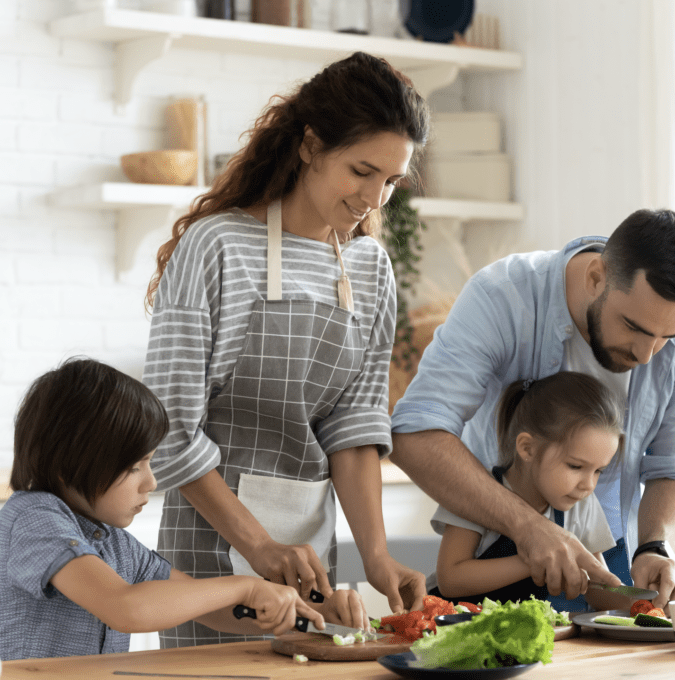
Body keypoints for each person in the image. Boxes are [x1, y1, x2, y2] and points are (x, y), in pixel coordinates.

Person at [142, 52, 431, 647]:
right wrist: (259, 546)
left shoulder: (370, 267)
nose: (375, 199)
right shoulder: (217, 246)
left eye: (392, 181)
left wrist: (375, 558)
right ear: (309, 146)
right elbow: (171, 428)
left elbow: (352, 425)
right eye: (361, 170)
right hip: (212, 556)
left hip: (312, 564)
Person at [391, 208, 675, 609]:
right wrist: (529, 528)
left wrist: (658, 546)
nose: (647, 354)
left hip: (615, 542)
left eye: (668, 337)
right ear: (596, 277)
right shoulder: (503, 295)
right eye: (634, 327)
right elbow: (415, 432)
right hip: (495, 523)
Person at [0, 358, 360, 661]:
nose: (152, 483)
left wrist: (313, 609)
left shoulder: (116, 545)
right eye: (133, 467)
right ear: (68, 462)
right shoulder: (34, 519)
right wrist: (247, 585)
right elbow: (126, 609)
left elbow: (208, 607)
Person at [428, 372, 623, 610]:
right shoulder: (475, 492)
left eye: (598, 471)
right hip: (451, 628)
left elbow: (598, 587)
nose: (588, 485)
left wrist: (648, 601)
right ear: (527, 448)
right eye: (575, 466)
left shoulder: (583, 504)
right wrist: (537, 558)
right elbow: (451, 580)